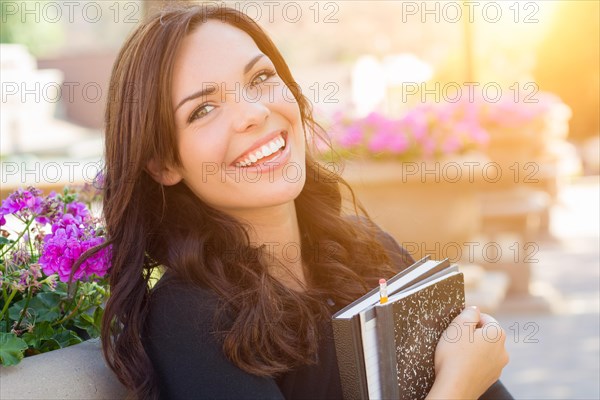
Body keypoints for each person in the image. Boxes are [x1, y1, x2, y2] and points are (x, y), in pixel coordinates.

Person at [95, 4, 511, 399]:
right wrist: (458, 383)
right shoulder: (188, 317)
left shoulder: (365, 248)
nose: (254, 112)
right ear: (164, 163)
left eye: (259, 79)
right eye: (204, 109)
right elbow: (466, 377)